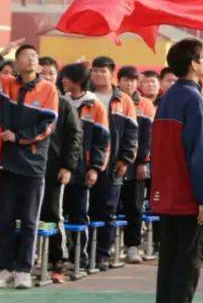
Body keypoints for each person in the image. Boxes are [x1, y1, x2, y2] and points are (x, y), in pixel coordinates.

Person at [0, 40, 59, 290]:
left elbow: (46, 126)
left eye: (34, 56)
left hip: (33, 163)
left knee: (30, 219)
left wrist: (19, 136)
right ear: (16, 62)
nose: (31, 59)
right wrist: (1, 52)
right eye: (25, 56)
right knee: (5, 218)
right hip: (6, 162)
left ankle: (24, 270)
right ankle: (5, 268)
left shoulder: (48, 90)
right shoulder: (5, 86)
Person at [150, 38, 203, 303]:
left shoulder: (168, 97)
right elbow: (198, 152)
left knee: (171, 261)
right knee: (189, 262)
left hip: (167, 193)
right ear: (193, 63)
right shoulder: (194, 99)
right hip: (188, 195)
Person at [87, 56, 138, 271]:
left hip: (113, 166)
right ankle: (82, 254)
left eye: (103, 71)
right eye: (95, 71)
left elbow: (132, 132)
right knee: (83, 211)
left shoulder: (123, 100)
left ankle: (102, 255)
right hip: (87, 164)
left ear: (111, 73)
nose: (99, 75)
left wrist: (125, 159)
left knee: (107, 211)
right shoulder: (85, 97)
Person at [60, 62, 110, 273]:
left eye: (67, 78)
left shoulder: (94, 105)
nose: (63, 81)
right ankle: (60, 257)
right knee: (59, 214)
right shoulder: (60, 102)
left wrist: (95, 167)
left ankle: (80, 256)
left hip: (82, 169)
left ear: (78, 81)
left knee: (79, 214)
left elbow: (102, 139)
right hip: (61, 168)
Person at [39, 59, 83, 282]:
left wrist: (68, 166)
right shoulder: (30, 100)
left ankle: (58, 261)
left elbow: (75, 136)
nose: (46, 76)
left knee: (53, 213)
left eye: (51, 73)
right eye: (43, 72)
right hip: (31, 168)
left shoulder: (64, 104)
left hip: (55, 169)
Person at [118, 65, 154, 263]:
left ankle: (133, 246)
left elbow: (147, 137)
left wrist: (143, 162)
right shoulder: (113, 101)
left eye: (133, 80)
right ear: (119, 80)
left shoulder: (146, 104)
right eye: (125, 79)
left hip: (136, 165)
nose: (129, 83)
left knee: (135, 207)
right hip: (113, 163)